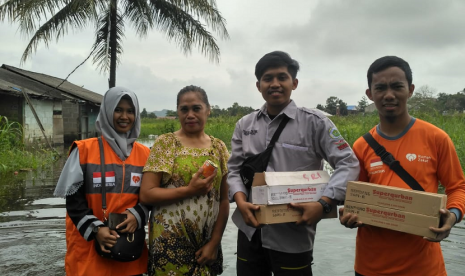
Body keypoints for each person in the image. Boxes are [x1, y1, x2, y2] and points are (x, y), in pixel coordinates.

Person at [227, 51, 360, 276]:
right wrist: (240, 201)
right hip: (250, 227)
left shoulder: (316, 123)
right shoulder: (244, 125)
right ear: (258, 85)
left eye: (282, 77)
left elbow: (348, 163)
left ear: (294, 83)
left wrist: (324, 204)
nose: (275, 84)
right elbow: (234, 170)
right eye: (268, 78)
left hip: (293, 233)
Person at [339, 56, 465, 276]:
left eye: (397, 86)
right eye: (380, 88)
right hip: (371, 267)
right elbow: (357, 197)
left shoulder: (436, 138)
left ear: (410, 90)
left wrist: (452, 215)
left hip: (425, 267)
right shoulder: (361, 146)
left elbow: (458, 188)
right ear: (369, 94)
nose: (389, 95)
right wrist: (349, 215)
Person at [54, 87, 150, 276]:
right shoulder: (83, 150)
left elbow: (152, 197)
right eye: (118, 109)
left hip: (129, 253)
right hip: (89, 252)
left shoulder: (146, 154)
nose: (124, 116)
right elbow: (73, 200)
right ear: (107, 112)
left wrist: (137, 215)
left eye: (130, 111)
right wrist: (97, 230)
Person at [139, 85, 230, 276]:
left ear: (208, 110)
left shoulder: (219, 148)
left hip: (206, 245)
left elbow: (223, 200)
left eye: (196, 108)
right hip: (169, 243)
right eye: (184, 109)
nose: (190, 114)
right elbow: (147, 194)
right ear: (178, 112)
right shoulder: (166, 144)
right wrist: (190, 190)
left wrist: (214, 243)